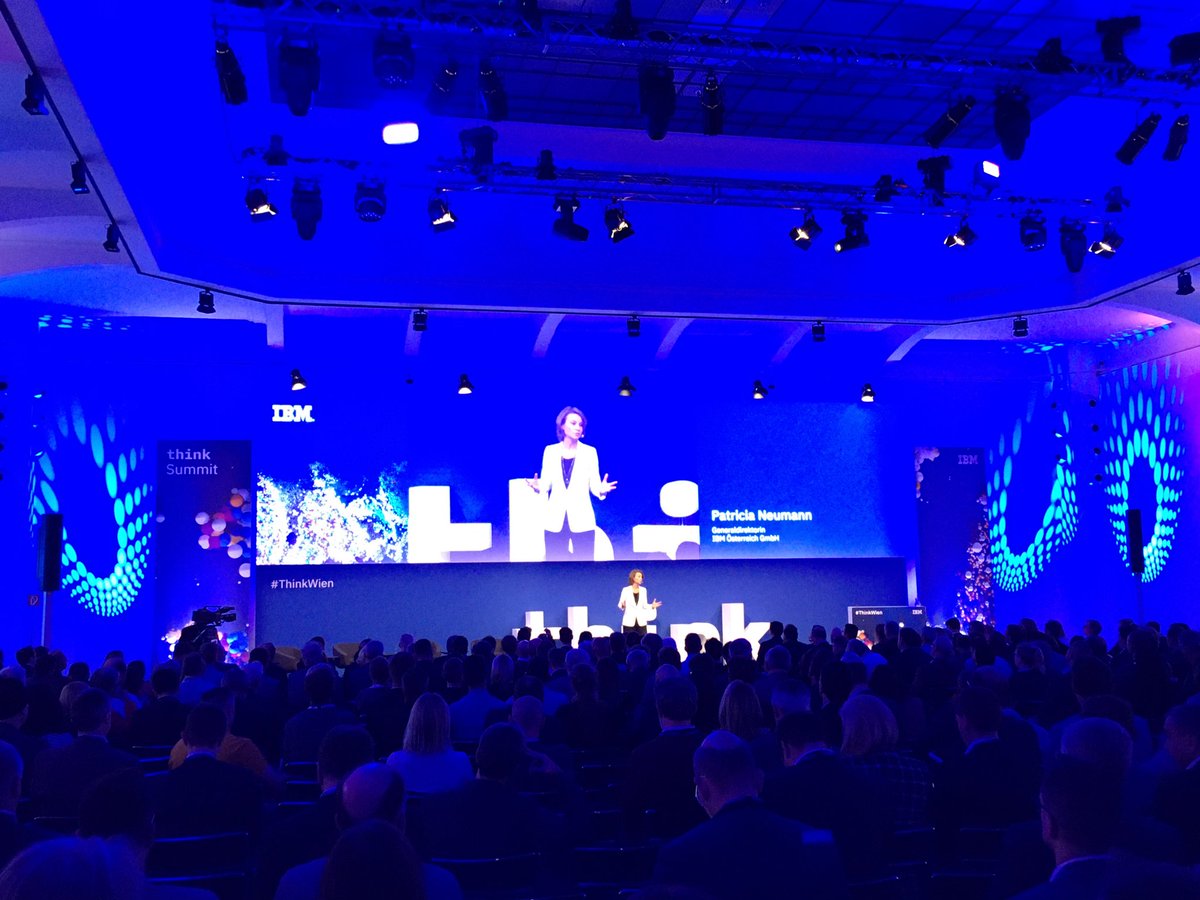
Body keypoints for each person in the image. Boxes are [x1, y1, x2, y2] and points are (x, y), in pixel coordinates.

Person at [526, 406, 617, 561]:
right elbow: (547, 483)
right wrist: (538, 486)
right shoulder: (550, 451)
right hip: (555, 519)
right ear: (562, 425)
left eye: (580, 425)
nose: (577, 428)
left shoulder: (590, 452)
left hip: (582, 519)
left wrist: (602, 490)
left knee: (584, 567)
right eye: (573, 423)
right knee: (555, 567)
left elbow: (594, 485)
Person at [618, 569, 661, 636]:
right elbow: (620, 604)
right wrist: (623, 605)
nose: (641, 578)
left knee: (642, 639)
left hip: (641, 622)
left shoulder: (644, 590)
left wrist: (652, 606)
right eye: (639, 576)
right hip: (629, 622)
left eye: (641, 577)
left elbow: (644, 605)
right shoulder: (626, 590)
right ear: (633, 578)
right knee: (628, 640)